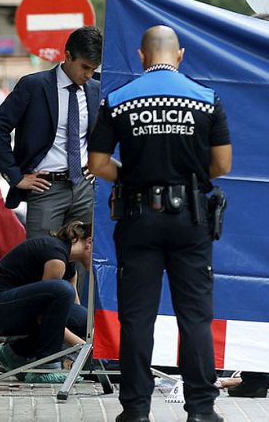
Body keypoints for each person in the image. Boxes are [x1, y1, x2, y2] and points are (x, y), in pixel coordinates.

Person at [89, 25, 232, 422]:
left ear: (141, 56)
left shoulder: (117, 101)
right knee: (195, 317)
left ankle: (135, 412)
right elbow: (222, 165)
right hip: (190, 218)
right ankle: (201, 410)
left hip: (138, 219)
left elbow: (97, 164)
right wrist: (187, 177)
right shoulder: (207, 100)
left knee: (137, 318)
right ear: (180, 55)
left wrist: (135, 175)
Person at [0, 26, 103, 238]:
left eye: (93, 68)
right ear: (67, 56)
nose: (88, 75)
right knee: (44, 262)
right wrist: (15, 176)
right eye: (84, 67)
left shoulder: (96, 89)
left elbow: (106, 132)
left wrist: (98, 165)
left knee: (82, 264)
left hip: (85, 189)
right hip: (46, 189)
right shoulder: (34, 86)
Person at [0, 220, 91, 383]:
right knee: (62, 290)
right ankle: (46, 367)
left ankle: (16, 353)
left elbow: (73, 315)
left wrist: (90, 338)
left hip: (15, 308)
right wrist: (82, 346)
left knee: (84, 319)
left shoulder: (69, 265)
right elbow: (42, 316)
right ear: (89, 243)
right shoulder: (55, 258)